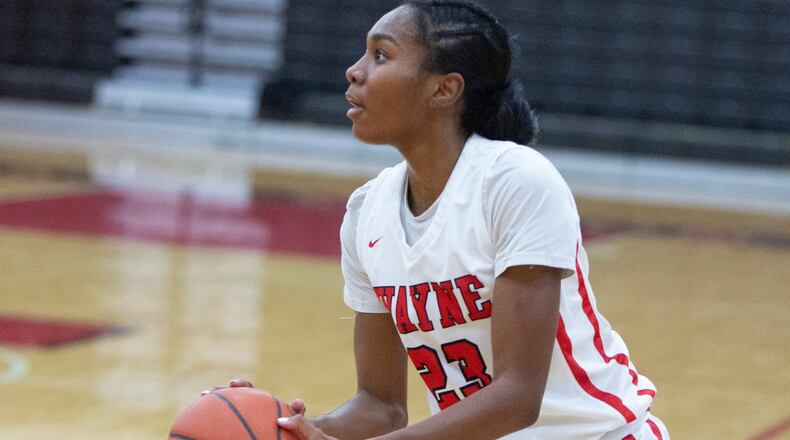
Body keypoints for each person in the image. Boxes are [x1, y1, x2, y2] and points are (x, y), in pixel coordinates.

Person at [231, 1, 669, 438]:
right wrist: (286, 428)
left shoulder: (515, 181)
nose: (355, 70)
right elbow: (381, 406)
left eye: (380, 55)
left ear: (444, 90)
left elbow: (518, 397)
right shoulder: (367, 212)